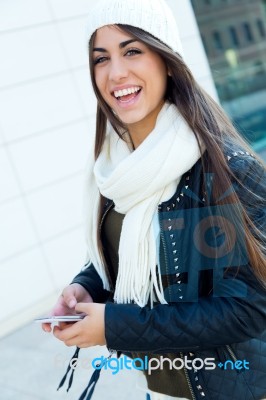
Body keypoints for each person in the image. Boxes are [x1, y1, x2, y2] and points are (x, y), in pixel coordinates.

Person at [42, 0, 266, 399]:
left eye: (132, 51)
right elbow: (129, 248)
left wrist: (115, 326)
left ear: (166, 59)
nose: (116, 73)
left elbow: (247, 310)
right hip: (156, 385)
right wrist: (86, 288)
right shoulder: (116, 164)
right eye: (100, 58)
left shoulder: (226, 170)